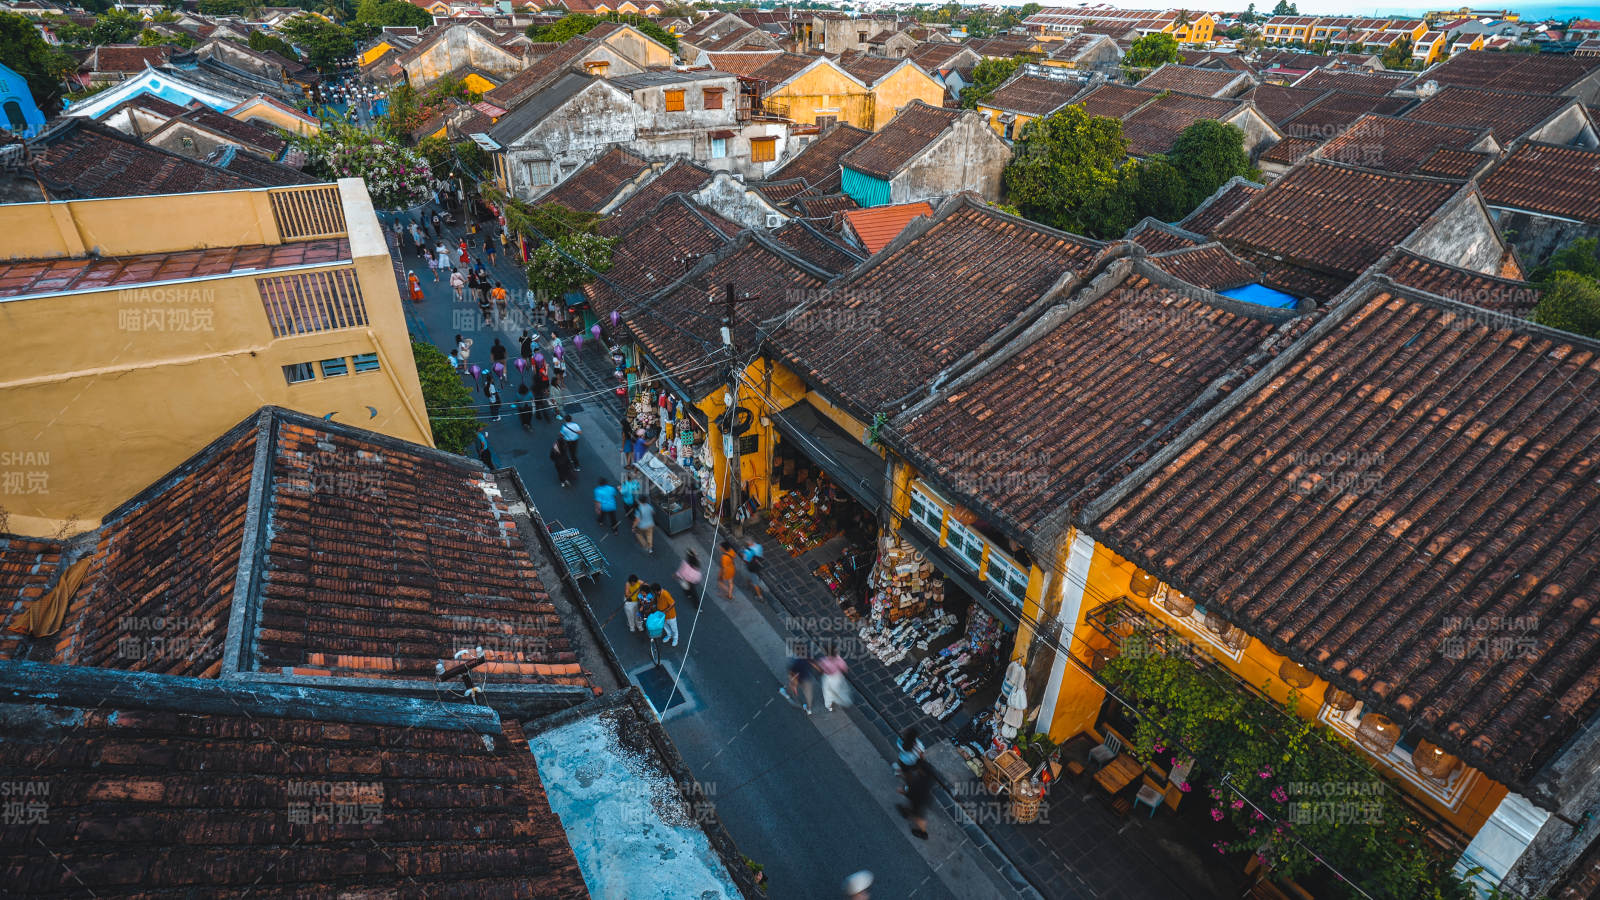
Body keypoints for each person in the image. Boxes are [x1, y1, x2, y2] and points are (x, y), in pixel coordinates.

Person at [899, 758, 933, 840]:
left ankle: (923, 833)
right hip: (921, 799)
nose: (917, 769)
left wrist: (903, 792)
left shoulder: (920, 782)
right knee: (916, 811)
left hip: (920, 800)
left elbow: (912, 793)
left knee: (919, 817)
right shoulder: (927, 775)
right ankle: (908, 812)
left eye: (918, 768)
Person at [817, 645, 849, 712]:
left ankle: (829, 705)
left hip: (828, 677)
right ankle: (840, 700)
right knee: (838, 689)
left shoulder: (824, 660)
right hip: (837, 676)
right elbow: (844, 668)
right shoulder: (838, 658)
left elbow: (821, 669)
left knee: (827, 691)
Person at [742, 538, 766, 603]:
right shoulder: (759, 546)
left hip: (752, 568)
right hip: (758, 566)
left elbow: (745, 560)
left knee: (755, 582)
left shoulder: (747, 551)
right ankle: (749, 584)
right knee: (750, 576)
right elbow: (761, 556)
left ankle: (760, 597)